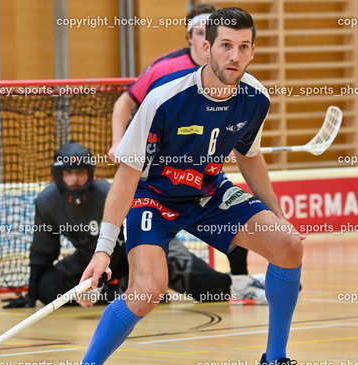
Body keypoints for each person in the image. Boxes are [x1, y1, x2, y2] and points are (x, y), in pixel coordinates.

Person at [53, 8, 318, 365]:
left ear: (252, 52)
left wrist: (277, 213)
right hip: (153, 198)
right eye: (226, 45)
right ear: (206, 48)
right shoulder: (164, 99)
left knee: (288, 245)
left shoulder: (255, 98)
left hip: (208, 193)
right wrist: (104, 251)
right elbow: (126, 176)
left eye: (243, 47)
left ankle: (274, 364)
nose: (234, 55)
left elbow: (249, 156)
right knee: (147, 291)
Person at [3, 142, 267, 309]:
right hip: (96, 260)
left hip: (146, 247)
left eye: (80, 172)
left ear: (90, 173)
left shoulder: (109, 193)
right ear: (57, 175)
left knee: (208, 289)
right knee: (50, 290)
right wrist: (31, 294)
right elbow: (42, 251)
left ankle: (249, 283)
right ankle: (130, 290)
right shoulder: (46, 202)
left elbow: (142, 228)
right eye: (68, 173)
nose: (74, 179)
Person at [108, 2, 254, 281]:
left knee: (242, 217)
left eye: (210, 33)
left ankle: (242, 283)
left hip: (202, 173)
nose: (205, 39)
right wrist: (118, 142)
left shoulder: (235, 78)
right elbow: (124, 102)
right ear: (190, 37)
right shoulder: (165, 69)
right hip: (156, 174)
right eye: (199, 33)